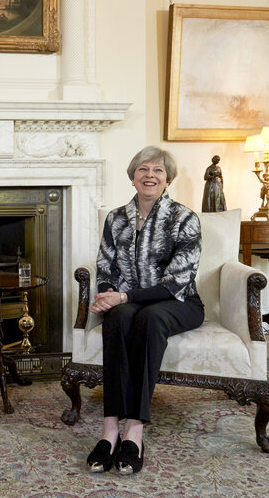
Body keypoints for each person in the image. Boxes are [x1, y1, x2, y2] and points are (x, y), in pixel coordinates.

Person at [86, 146, 204, 475]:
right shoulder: (116, 218)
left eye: (158, 171)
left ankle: (134, 431)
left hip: (178, 302)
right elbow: (105, 269)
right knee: (117, 317)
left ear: (167, 181)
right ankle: (110, 430)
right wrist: (107, 295)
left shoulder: (184, 219)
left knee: (149, 318)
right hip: (129, 300)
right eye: (143, 169)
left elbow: (175, 283)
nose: (149, 175)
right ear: (133, 176)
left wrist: (123, 297)